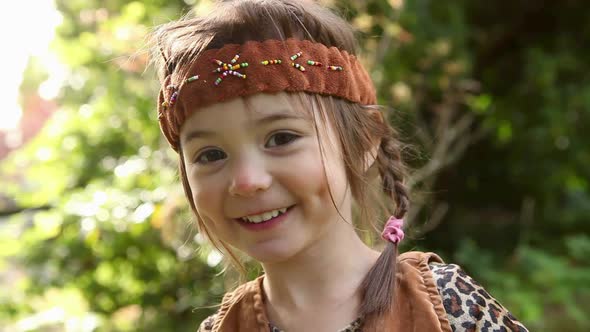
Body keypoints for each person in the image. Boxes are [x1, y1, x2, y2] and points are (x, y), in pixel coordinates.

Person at [150, 1, 529, 331]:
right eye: (211, 155)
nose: (247, 181)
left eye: (281, 138)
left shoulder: (444, 306)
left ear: (364, 143)